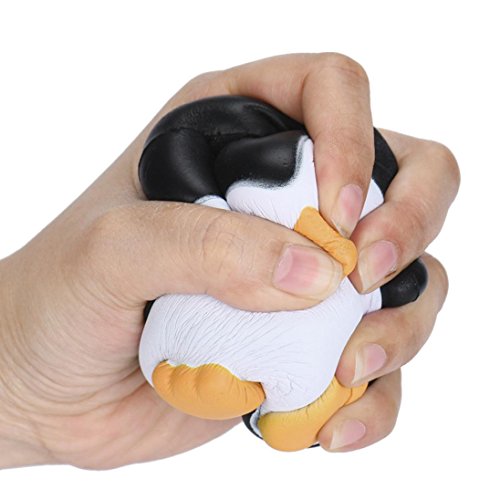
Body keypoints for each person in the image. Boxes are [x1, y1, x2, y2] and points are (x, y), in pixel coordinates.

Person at [0, 53, 459, 470]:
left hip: (286, 362)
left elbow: (408, 282)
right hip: (190, 333)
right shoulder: (275, 164)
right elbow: (176, 158)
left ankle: (288, 412)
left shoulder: (369, 244)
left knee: (310, 399)